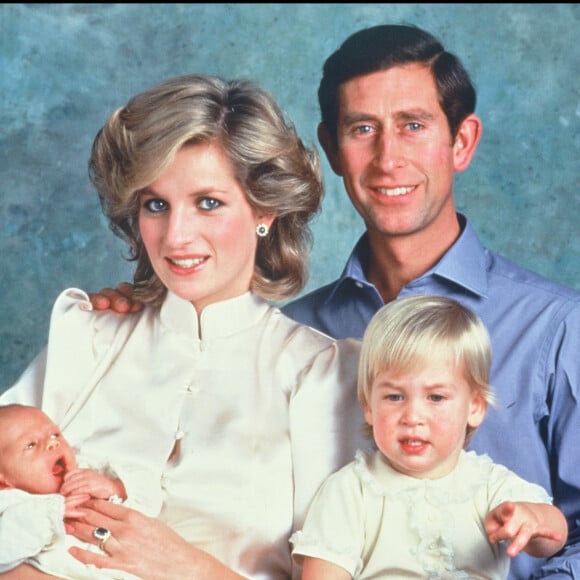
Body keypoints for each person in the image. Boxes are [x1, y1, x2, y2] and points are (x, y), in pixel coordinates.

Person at [89, 24, 580, 578]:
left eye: (413, 126)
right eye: (363, 128)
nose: (388, 158)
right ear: (333, 148)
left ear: (461, 142)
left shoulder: (558, 329)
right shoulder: (298, 337)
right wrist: (140, 317)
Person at [0, 73, 364, 579]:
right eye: (156, 205)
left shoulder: (324, 375)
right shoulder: (87, 336)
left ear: (265, 208)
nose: (176, 236)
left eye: (207, 202)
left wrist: (186, 567)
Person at [290, 296, 568, 579]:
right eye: (394, 396)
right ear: (369, 407)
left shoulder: (488, 484)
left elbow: (555, 532)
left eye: (436, 397)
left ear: (474, 407)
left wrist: (532, 520)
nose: (412, 416)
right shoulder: (351, 491)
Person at [0, 404, 157, 579]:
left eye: (55, 434)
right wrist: (50, 516)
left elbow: (154, 498)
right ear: (3, 481)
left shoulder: (90, 471)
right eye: (31, 444)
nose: (53, 443)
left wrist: (116, 487)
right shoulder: (11, 502)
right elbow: (4, 550)